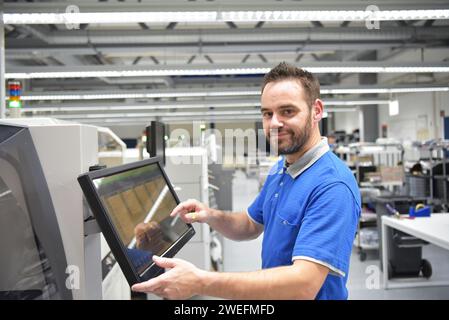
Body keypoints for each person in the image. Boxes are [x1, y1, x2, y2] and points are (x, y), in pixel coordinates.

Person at [132, 62, 361, 300]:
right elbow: (250, 224)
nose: (274, 123)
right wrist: (210, 215)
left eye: (288, 111)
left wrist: (200, 281)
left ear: (316, 111)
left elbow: (303, 285)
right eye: (267, 113)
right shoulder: (281, 169)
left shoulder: (332, 186)